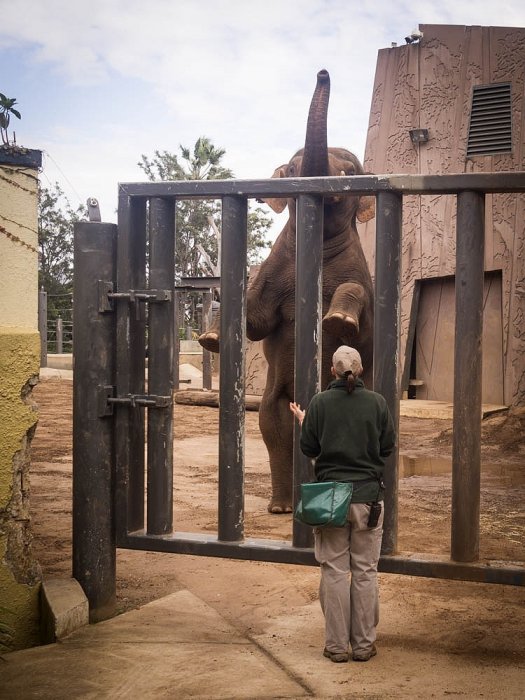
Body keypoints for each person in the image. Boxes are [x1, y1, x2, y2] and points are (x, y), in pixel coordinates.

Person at [289, 345, 395, 663]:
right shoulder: (377, 403)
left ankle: (336, 647)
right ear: (360, 370)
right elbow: (387, 447)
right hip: (368, 501)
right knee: (365, 571)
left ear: (332, 372)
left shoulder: (321, 403)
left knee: (334, 571)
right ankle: (363, 646)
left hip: (331, 501)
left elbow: (310, 447)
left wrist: (308, 421)